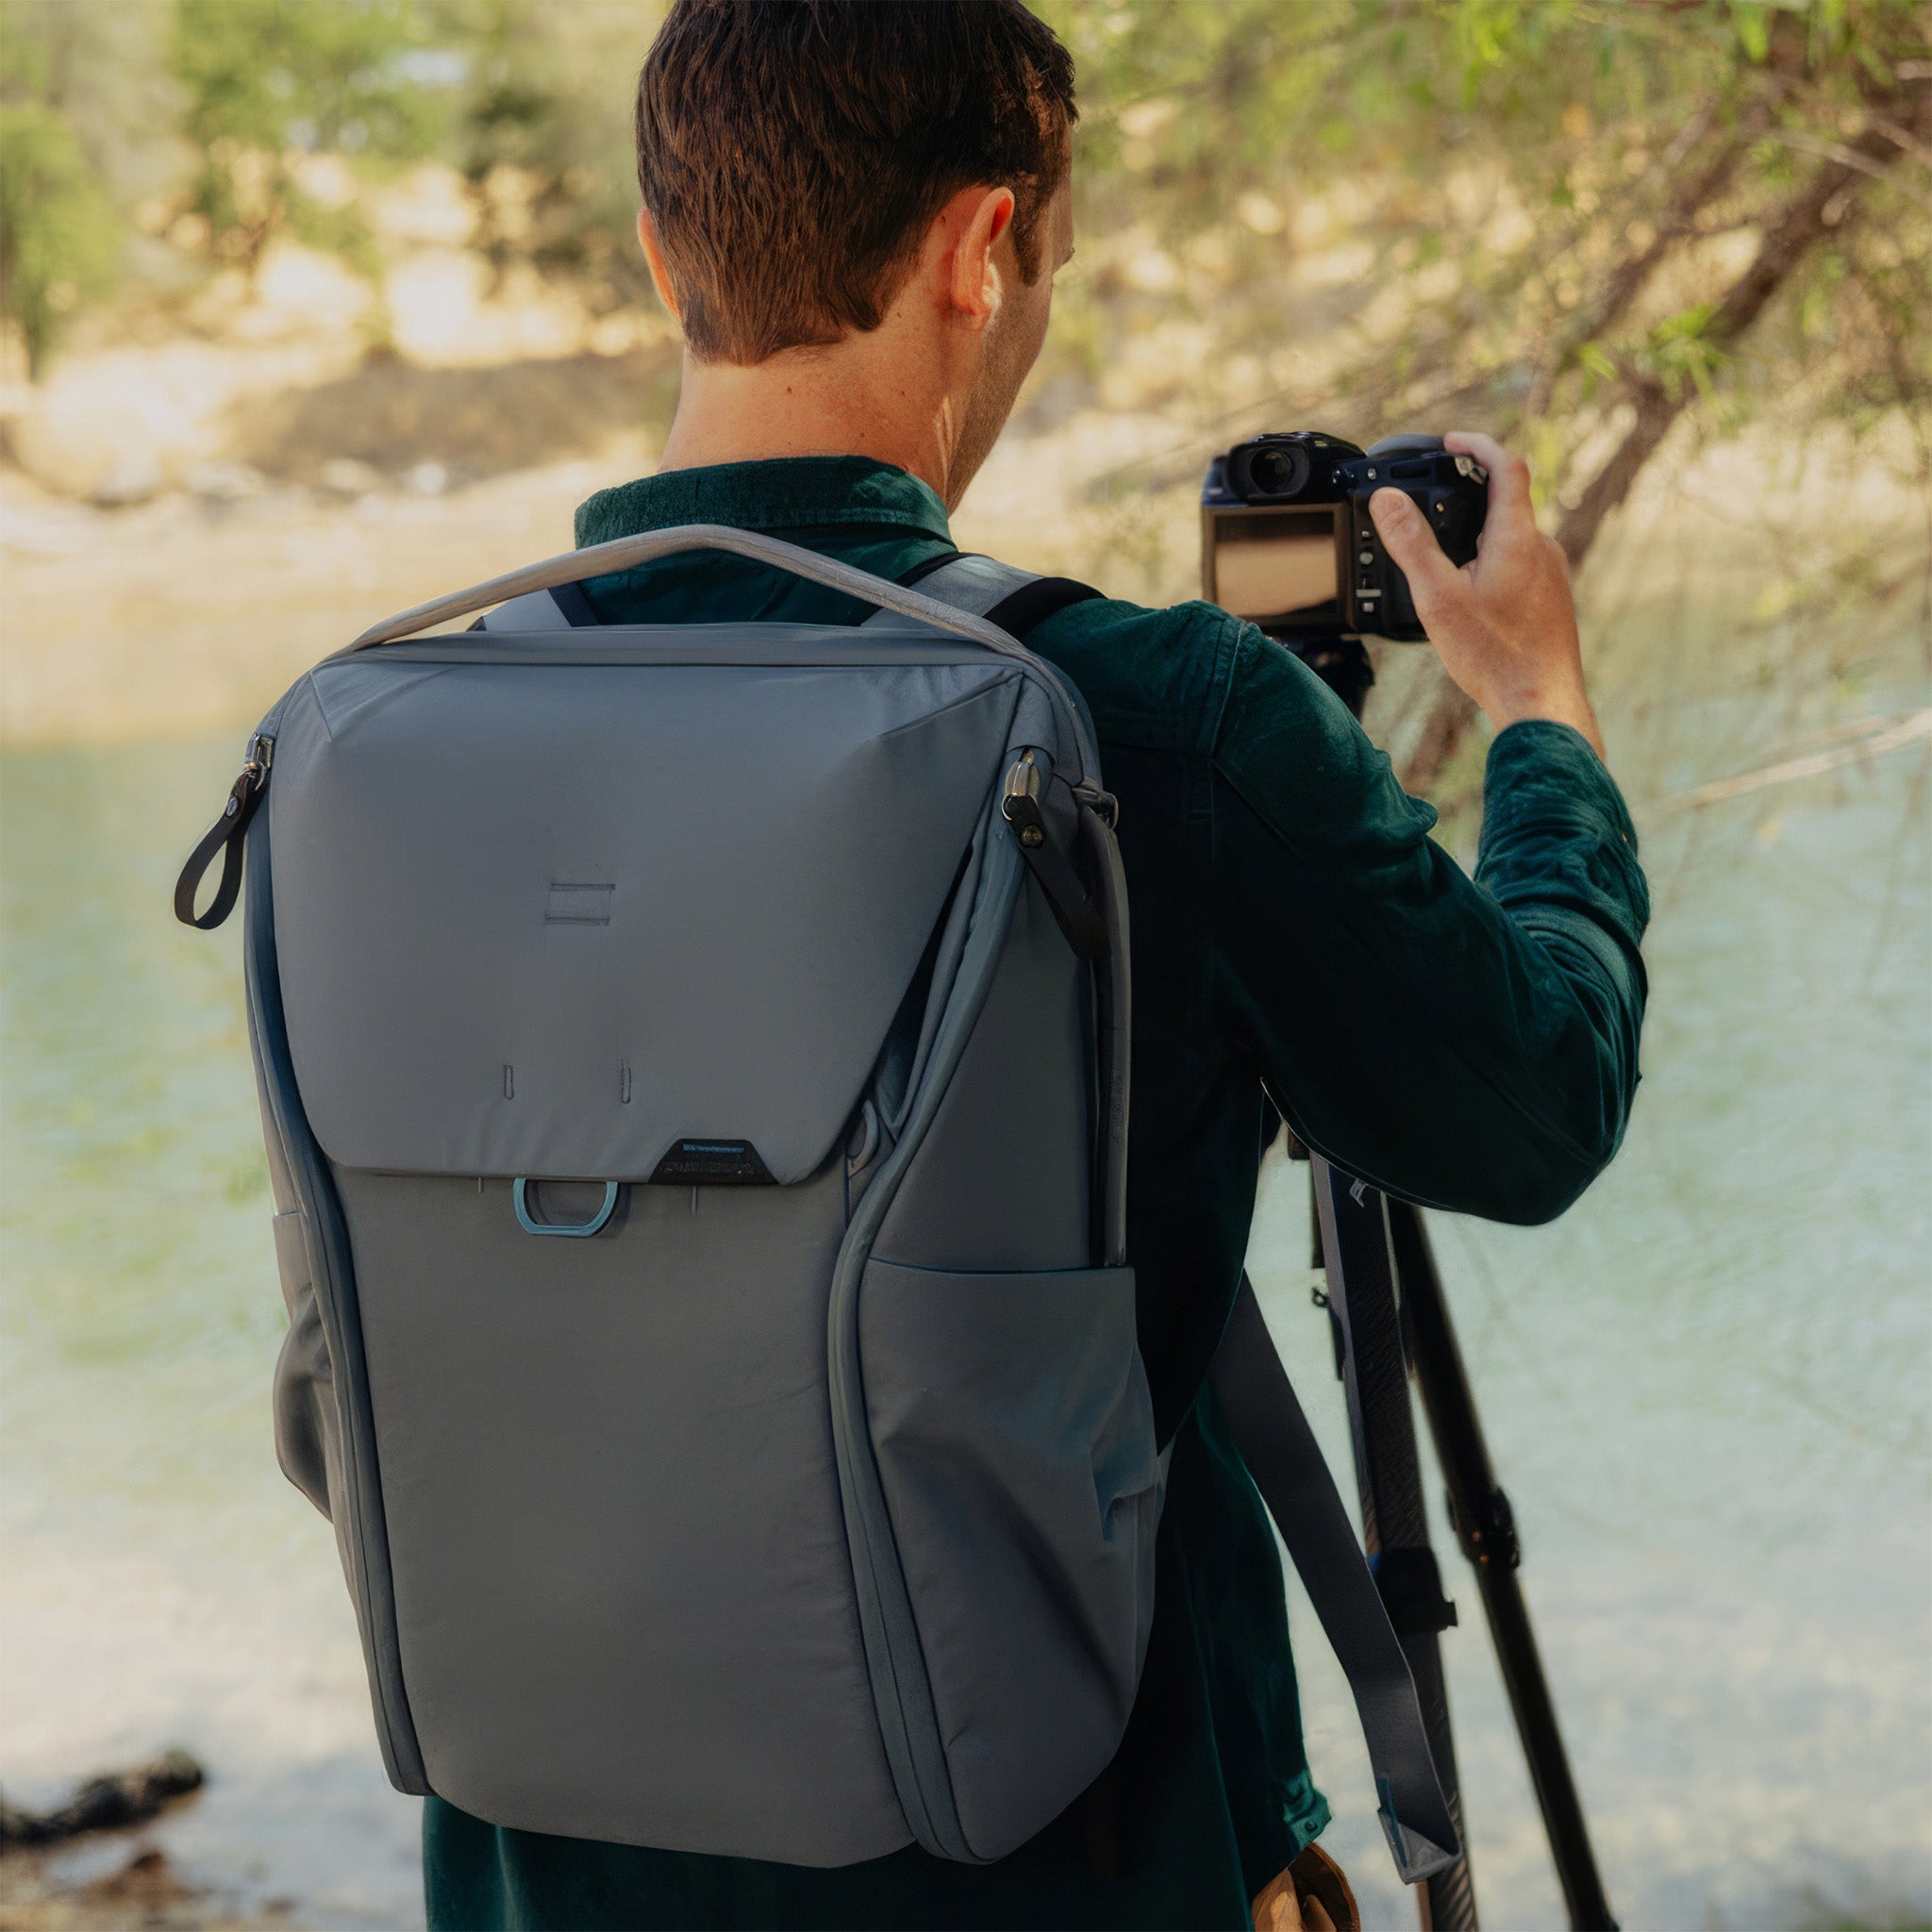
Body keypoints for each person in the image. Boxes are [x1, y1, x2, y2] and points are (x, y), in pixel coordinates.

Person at [423, 4, 1648, 1927]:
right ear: (982, 249)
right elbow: (1535, 1102)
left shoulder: (393, 738)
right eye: (1047, 263)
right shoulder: (1152, 716)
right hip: (1070, 1866)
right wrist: (1538, 717)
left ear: (663, 257)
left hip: (548, 1868)